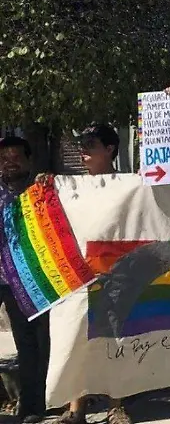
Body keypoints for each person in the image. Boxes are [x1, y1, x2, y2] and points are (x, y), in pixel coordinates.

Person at [60, 125, 144, 424]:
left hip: (118, 273)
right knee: (76, 338)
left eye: (91, 144)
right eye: (81, 143)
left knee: (115, 339)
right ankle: (75, 409)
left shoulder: (130, 184)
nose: (83, 149)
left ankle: (116, 406)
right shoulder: (69, 187)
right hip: (78, 274)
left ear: (109, 149)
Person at [0, 136, 51, 424]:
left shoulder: (43, 190)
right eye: (3, 158)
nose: (9, 163)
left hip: (32, 281)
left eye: (15, 157)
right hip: (4, 279)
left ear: (29, 160)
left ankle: (34, 406)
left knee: (35, 345)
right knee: (27, 345)